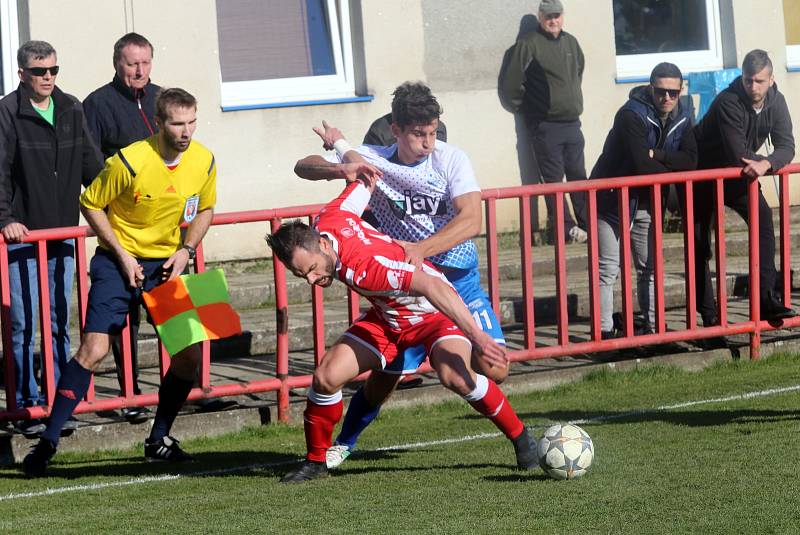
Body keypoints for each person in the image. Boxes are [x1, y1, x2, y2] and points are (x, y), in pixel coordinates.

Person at [296, 82, 509, 469]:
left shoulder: (451, 159)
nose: (429, 142)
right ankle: (344, 442)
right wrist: (338, 166)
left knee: (496, 368)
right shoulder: (374, 160)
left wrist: (421, 251)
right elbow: (303, 166)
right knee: (381, 379)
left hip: (455, 279)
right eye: (419, 134)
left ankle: (507, 421)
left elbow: (472, 219)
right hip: (404, 292)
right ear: (396, 130)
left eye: (433, 132)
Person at [268, 179, 537, 483]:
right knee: (326, 377)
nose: (312, 279)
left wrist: (477, 337)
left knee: (455, 376)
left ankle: (521, 438)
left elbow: (432, 285)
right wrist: (340, 151)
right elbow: (364, 179)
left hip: (433, 314)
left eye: (313, 268)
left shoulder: (367, 267)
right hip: (389, 317)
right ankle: (316, 461)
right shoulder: (329, 219)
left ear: (324, 245)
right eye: (302, 274)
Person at [22, 88, 217, 477]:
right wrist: (123, 256)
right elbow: (90, 203)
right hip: (116, 261)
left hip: (169, 263)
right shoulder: (128, 161)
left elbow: (207, 208)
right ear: (158, 123)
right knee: (94, 350)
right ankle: (48, 442)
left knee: (191, 355)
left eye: (192, 122)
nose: (186, 131)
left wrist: (187, 249)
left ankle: (158, 438)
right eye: (178, 123)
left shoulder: (205, 159)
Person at [0, 41, 103, 435]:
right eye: (40, 71)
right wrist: (6, 219)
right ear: (22, 73)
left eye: (53, 71)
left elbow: (93, 167)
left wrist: (118, 206)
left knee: (59, 321)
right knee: (24, 325)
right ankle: (27, 406)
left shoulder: (72, 107)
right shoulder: (7, 112)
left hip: (62, 234)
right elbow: (0, 172)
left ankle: (60, 403)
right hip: (22, 237)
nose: (48, 78)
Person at [83, 32, 160, 423]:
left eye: (145, 62)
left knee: (178, 312)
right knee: (125, 317)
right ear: (117, 63)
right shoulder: (96, 104)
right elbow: (92, 168)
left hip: (166, 228)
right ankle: (129, 394)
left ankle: (190, 387)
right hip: (123, 229)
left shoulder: (164, 98)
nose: (140, 71)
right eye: (132, 63)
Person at [592, 63, 697, 339]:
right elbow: (640, 165)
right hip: (611, 199)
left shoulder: (684, 114)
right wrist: (669, 171)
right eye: (661, 91)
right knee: (608, 269)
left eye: (673, 93)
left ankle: (654, 330)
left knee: (649, 267)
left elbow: (692, 160)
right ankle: (603, 334)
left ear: (680, 91)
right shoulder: (630, 114)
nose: (667, 98)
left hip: (647, 200)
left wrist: (659, 155)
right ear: (651, 88)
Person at [693, 49, 796, 326]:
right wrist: (765, 163)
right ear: (742, 77)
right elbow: (737, 151)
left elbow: (787, 145)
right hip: (702, 174)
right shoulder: (729, 100)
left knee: (763, 224)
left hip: (739, 176)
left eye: (760, 81)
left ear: (772, 79)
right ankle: (710, 318)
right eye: (748, 80)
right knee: (699, 245)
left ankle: (765, 299)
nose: (753, 86)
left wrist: (768, 163)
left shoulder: (777, 101)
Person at [498, 0, 588, 244]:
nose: (553, 20)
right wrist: (528, 111)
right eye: (548, 16)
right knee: (553, 181)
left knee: (579, 175)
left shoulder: (571, 42)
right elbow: (510, 86)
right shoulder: (527, 45)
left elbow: (578, 70)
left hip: (572, 123)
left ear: (562, 16)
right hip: (545, 126)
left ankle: (587, 222)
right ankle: (564, 229)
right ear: (540, 17)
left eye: (557, 15)